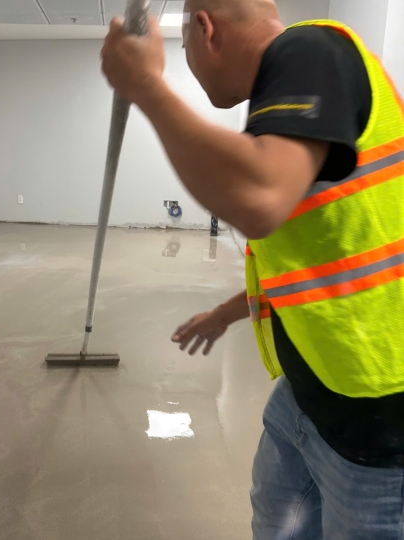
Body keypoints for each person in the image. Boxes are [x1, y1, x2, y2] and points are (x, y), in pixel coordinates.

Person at [101, 0, 404, 538]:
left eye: (184, 49)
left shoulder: (311, 49)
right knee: (275, 523)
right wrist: (223, 314)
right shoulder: (287, 95)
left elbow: (259, 198)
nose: (189, 65)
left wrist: (147, 85)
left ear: (204, 28)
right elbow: (317, 266)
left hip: (378, 422)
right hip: (308, 389)